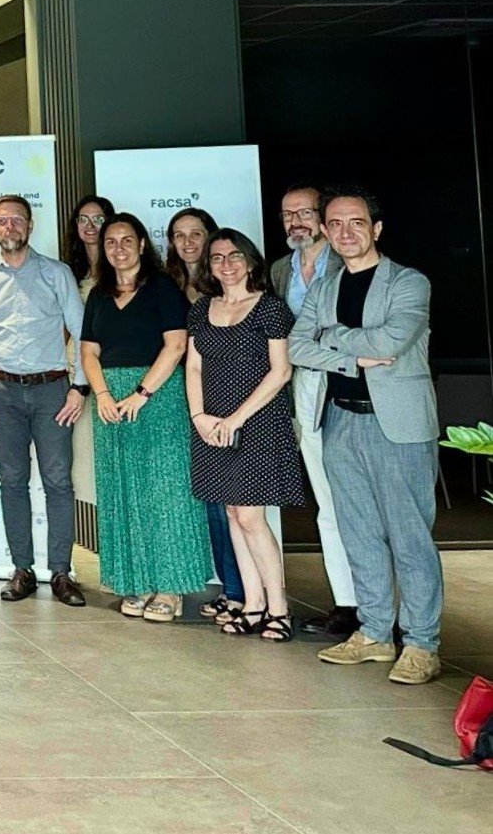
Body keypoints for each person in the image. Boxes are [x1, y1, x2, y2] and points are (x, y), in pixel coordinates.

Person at [291, 186, 444, 686]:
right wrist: (352, 357)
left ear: (375, 228)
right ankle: (375, 632)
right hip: (339, 420)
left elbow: (392, 339)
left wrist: (330, 336)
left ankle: (421, 643)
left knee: (409, 536)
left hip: (396, 425)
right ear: (325, 231)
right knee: (357, 532)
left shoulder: (408, 282)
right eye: (334, 224)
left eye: (356, 222)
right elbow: (296, 347)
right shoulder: (324, 288)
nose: (345, 232)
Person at [0, 194, 89, 605]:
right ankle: (22, 570)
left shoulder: (56, 273)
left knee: (58, 482)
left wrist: (79, 386)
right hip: (3, 392)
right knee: (12, 481)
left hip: (53, 391)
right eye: (2, 220)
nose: (9, 226)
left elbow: (83, 332)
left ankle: (61, 572)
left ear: (30, 226)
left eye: (17, 219)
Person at [79, 213, 210, 623]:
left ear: (141, 244)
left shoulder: (162, 287)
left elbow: (176, 345)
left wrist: (142, 392)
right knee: (122, 492)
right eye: (110, 242)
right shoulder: (99, 294)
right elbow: (88, 351)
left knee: (165, 492)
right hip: (109, 403)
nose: (118, 248)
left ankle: (170, 587)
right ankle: (135, 581)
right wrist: (102, 394)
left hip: (157, 396)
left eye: (126, 240)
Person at [187, 227, 304, 642]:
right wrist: (199, 416)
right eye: (217, 257)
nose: (227, 264)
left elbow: (281, 371)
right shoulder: (202, 309)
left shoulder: (269, 308)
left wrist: (236, 418)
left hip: (258, 424)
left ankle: (279, 609)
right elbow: (194, 366)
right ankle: (252, 604)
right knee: (234, 514)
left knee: (251, 517)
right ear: (208, 266)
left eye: (235, 255)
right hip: (212, 426)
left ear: (251, 261)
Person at [271, 183, 358, 639]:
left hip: (350, 383)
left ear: (322, 218)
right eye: (288, 214)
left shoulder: (348, 261)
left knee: (358, 499)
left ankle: (377, 605)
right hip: (302, 387)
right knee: (326, 499)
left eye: (304, 213)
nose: (296, 222)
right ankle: (347, 604)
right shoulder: (279, 270)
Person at [163, 206, 247, 624]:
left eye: (196, 233)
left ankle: (240, 591)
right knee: (209, 497)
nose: (188, 242)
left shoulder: (228, 286)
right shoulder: (164, 284)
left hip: (225, 400)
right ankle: (229, 587)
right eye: (179, 235)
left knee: (232, 501)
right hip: (180, 399)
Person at [66, 195, 116, 297]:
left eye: (98, 219)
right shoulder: (68, 270)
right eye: (83, 219)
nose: (89, 225)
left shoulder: (120, 265)